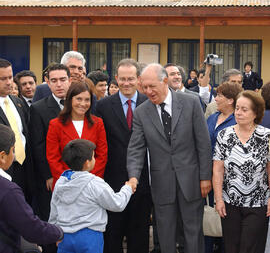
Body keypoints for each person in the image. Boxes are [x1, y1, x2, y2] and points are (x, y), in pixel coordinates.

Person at [127, 63, 212, 253]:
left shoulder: (191, 103)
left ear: (164, 81)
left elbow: (203, 143)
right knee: (165, 235)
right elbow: (135, 149)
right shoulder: (141, 112)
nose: (148, 91)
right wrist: (133, 176)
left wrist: (205, 177)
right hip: (161, 183)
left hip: (192, 181)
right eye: (144, 87)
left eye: (152, 86)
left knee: (193, 232)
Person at [96, 58, 151, 253]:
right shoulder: (102, 106)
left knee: (139, 236)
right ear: (116, 79)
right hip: (112, 182)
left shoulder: (149, 104)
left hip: (143, 182)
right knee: (112, 235)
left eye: (131, 79)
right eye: (122, 79)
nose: (126, 83)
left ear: (138, 79)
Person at [49, 139, 133, 253]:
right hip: (90, 236)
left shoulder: (60, 182)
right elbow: (117, 204)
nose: (95, 159)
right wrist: (127, 188)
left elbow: (54, 211)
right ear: (87, 163)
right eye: (93, 156)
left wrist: (54, 234)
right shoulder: (94, 183)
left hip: (65, 236)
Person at [213, 90, 270, 253]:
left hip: (258, 203)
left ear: (256, 113)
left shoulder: (266, 136)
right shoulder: (224, 135)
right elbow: (217, 170)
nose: (238, 112)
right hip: (230, 203)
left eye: (244, 109)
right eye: (237, 108)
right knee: (232, 247)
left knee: (250, 247)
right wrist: (219, 199)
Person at [0, 124, 63, 253]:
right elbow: (31, 228)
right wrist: (59, 233)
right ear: (2, 156)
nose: (14, 155)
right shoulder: (8, 191)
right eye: (13, 150)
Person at [29, 63, 71, 253]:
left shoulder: (81, 103)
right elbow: (37, 146)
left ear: (69, 80)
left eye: (63, 80)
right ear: (47, 82)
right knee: (51, 220)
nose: (59, 84)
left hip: (78, 173)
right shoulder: (38, 109)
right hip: (52, 177)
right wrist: (48, 175)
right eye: (53, 81)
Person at [46, 81, 107, 189]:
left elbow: (102, 155)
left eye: (87, 100)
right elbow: (53, 158)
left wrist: (89, 180)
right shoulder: (55, 124)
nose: (83, 104)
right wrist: (70, 180)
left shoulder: (98, 123)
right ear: (70, 100)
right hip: (66, 185)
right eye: (79, 99)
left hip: (92, 184)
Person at [205, 81, 243, 253]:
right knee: (208, 216)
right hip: (208, 175)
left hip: (230, 180)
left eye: (219, 95)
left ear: (230, 100)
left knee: (227, 219)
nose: (216, 98)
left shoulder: (238, 120)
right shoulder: (212, 117)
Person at [0, 58, 34, 204]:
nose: (9, 82)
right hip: (4, 171)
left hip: (24, 168)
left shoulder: (18, 102)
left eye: (10, 77)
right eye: (2, 78)